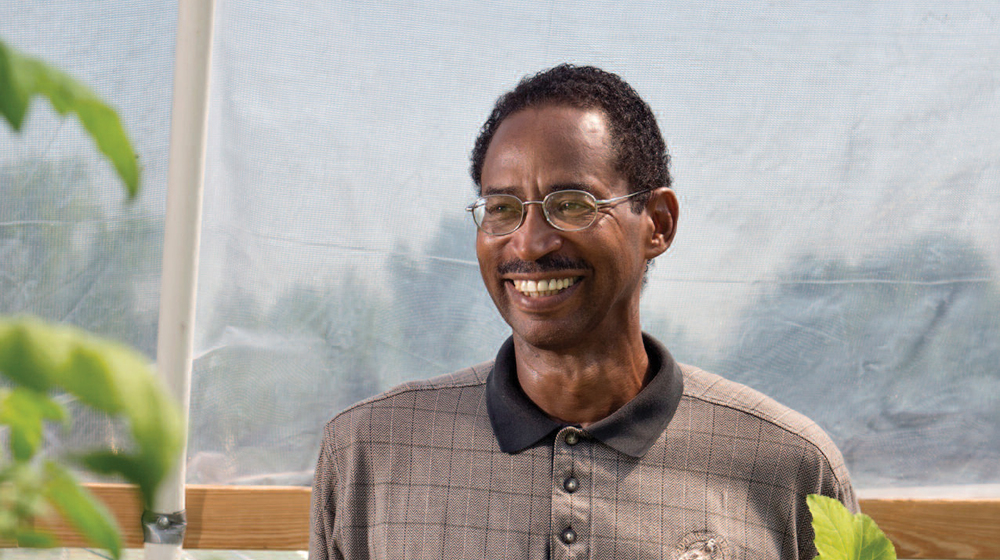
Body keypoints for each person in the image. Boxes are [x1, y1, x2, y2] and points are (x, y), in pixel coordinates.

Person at [310, 64, 857, 560]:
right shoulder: (368, 454)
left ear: (658, 223)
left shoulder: (790, 467)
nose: (528, 244)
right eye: (502, 209)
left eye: (571, 204)